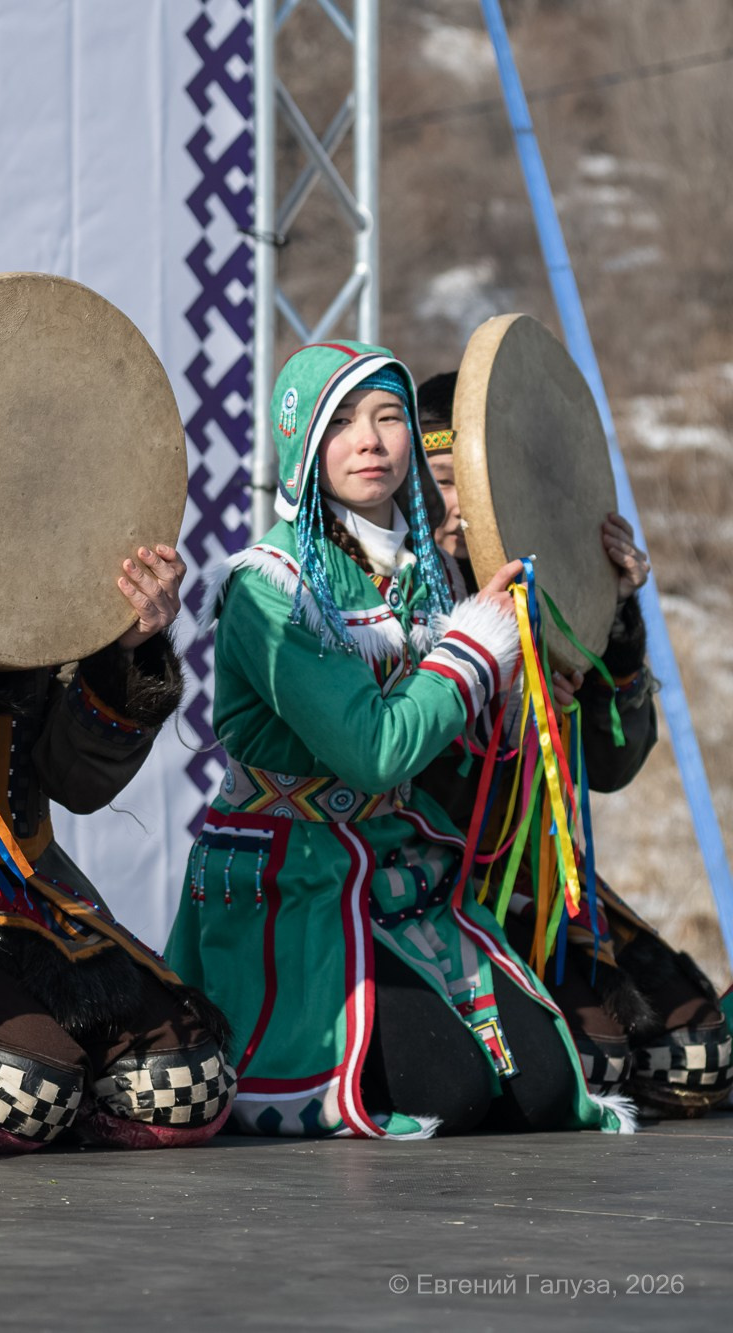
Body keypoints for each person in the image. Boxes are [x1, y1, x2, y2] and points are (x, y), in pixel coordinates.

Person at [167, 340, 632, 1138]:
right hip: (295, 878)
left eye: (388, 417)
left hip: (400, 867)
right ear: (302, 445)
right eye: (341, 422)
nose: (370, 440)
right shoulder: (271, 585)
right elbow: (375, 751)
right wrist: (476, 652)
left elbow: (457, 743)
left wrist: (528, 685)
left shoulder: (426, 575)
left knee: (548, 1089)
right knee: (452, 1093)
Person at [411, 371, 729, 1117]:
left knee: (698, 1058)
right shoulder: (385, 590)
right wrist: (495, 695)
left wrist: (613, 618)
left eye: (481, 487)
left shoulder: (539, 595)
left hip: (539, 873)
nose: (461, 509)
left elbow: (613, 767)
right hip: (426, 878)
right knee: (593, 1062)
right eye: (442, 482)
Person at [0, 542, 235, 1154]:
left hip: (33, 888)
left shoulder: (49, 548)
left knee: (184, 1085)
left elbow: (76, 784)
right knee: (23, 1088)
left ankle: (70, 1078)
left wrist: (124, 647)